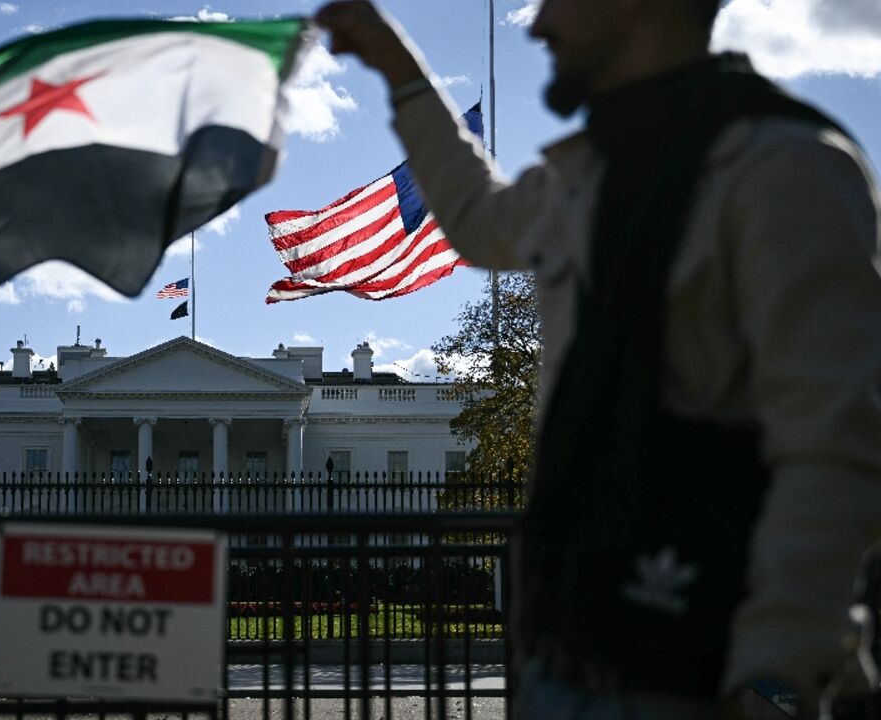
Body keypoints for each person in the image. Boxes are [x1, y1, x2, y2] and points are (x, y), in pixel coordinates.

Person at [314, 0, 881, 717]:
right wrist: (399, 71)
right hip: (560, 668)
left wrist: (775, 674)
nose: (541, 23)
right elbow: (477, 219)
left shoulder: (787, 168)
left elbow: (835, 449)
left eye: (558, 0)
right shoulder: (586, 176)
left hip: (702, 685)